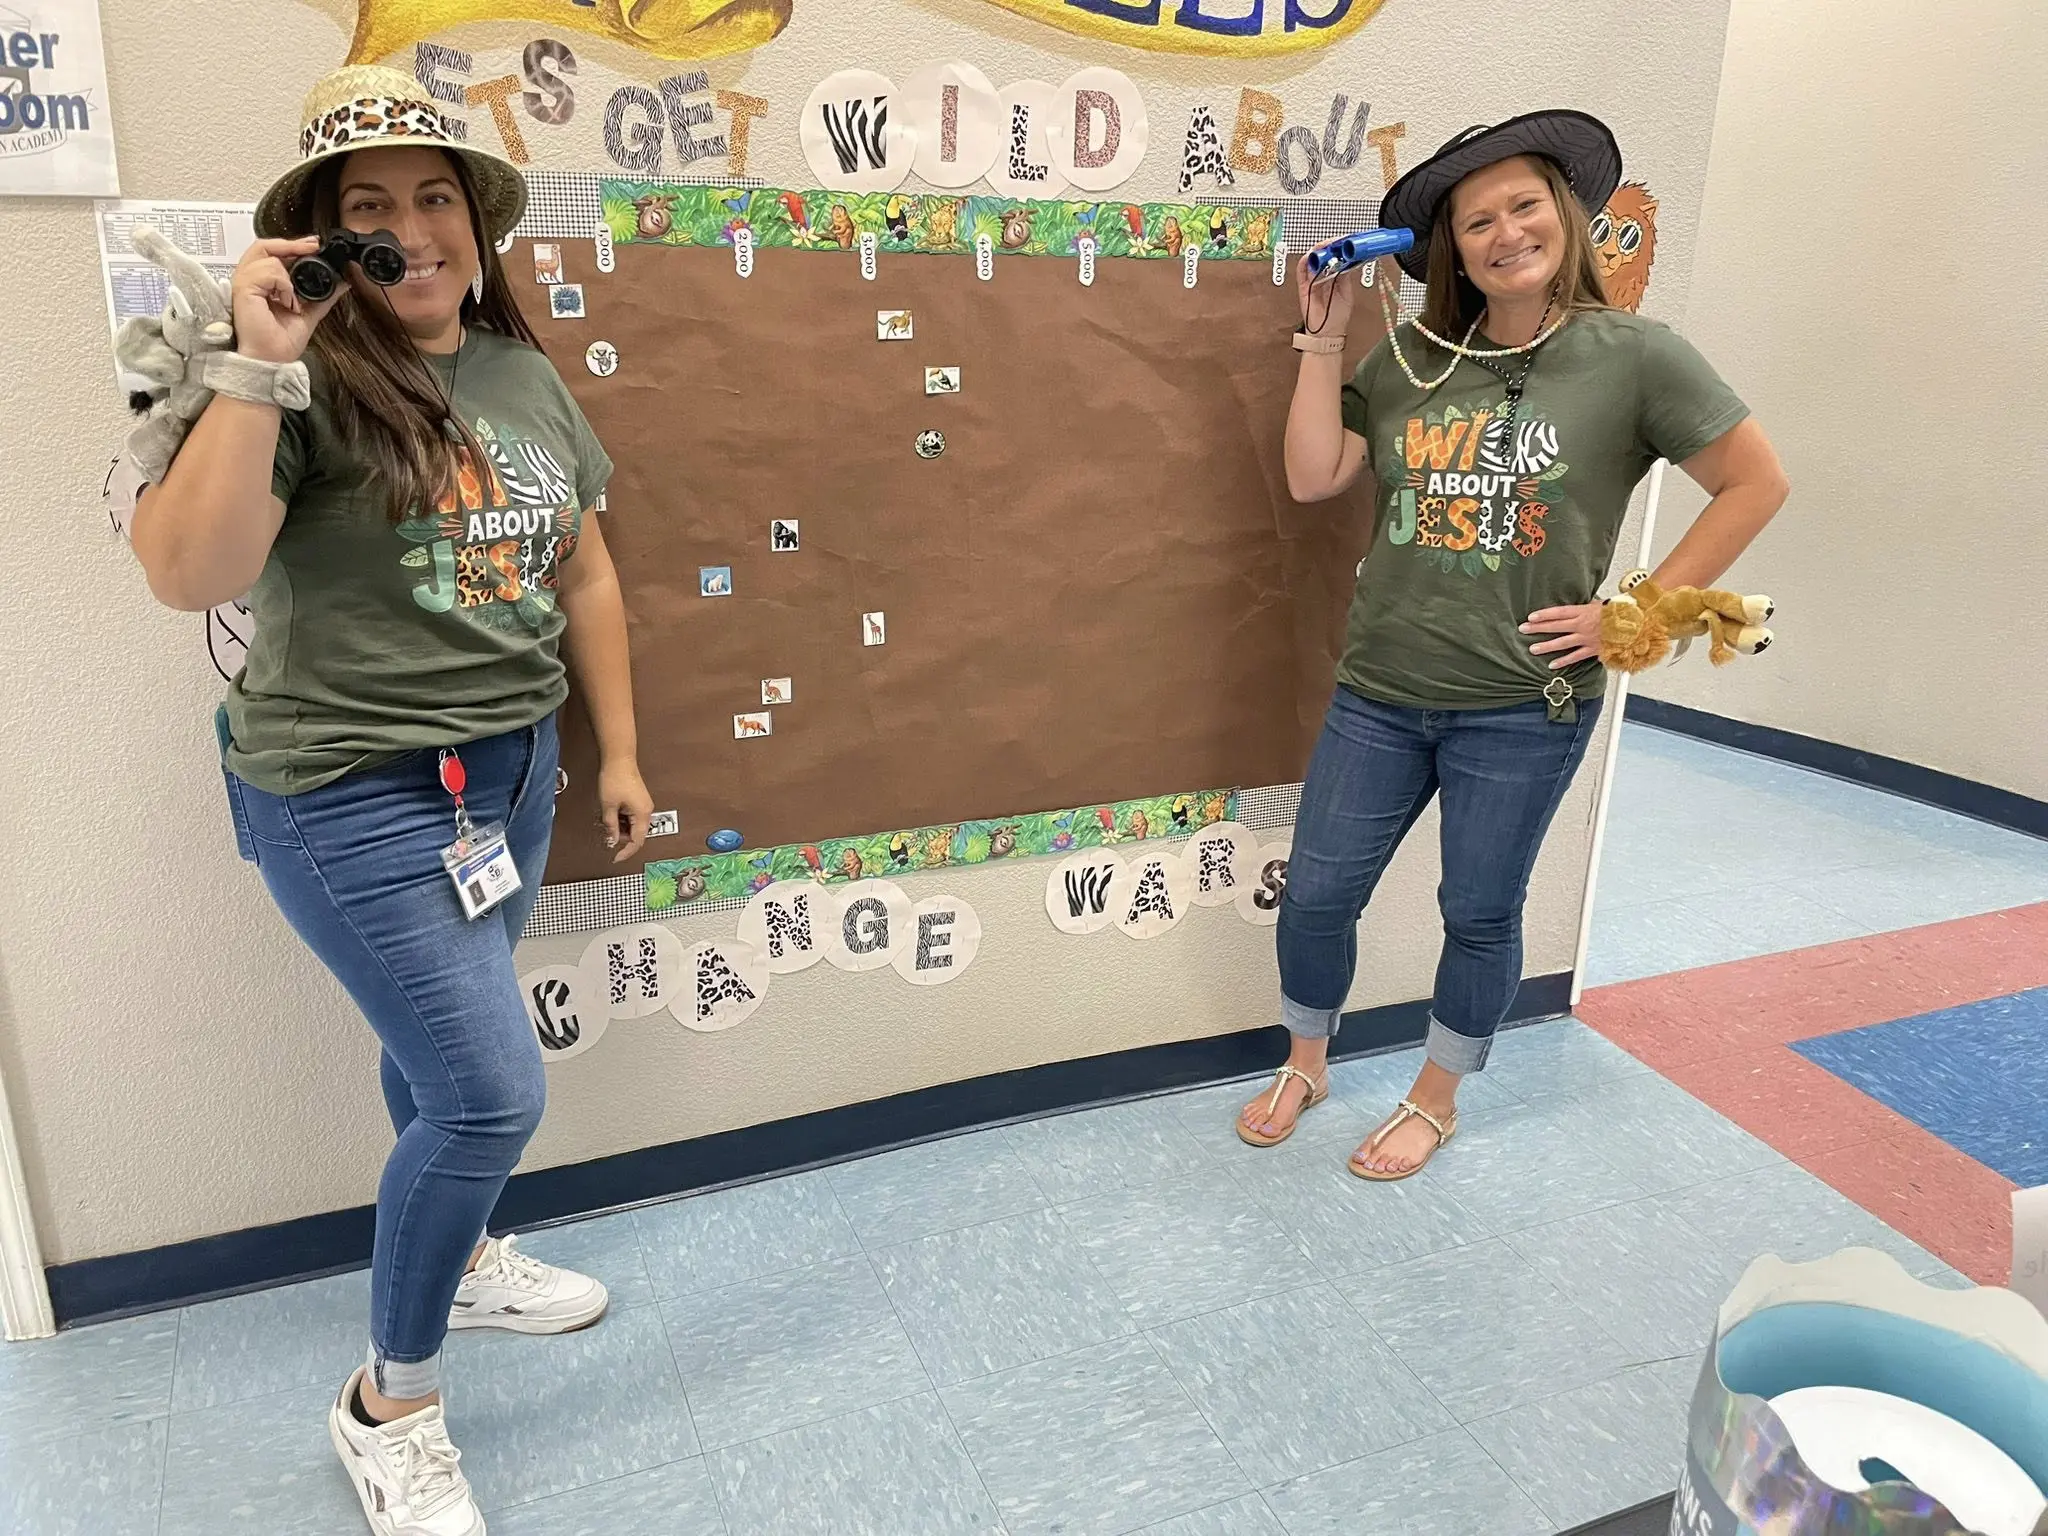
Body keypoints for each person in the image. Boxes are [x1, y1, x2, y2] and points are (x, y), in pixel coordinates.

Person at [129, 65, 652, 1536]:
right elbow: (189, 572)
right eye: (372, 206)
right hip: (350, 794)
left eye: (437, 199)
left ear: (477, 224)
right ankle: (390, 1405)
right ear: (324, 232)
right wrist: (257, 361)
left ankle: (462, 1261)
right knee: (489, 1092)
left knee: (440, 1065)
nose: (411, 231)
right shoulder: (293, 377)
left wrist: (616, 752)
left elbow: (585, 572)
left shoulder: (520, 373)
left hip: (511, 774)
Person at [1239, 111, 1788, 1178]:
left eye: (1524, 205)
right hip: (1378, 691)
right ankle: (1305, 1064)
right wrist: (1320, 337)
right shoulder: (1411, 357)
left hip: (1524, 706)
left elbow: (1753, 481)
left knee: (1479, 912)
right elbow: (1312, 476)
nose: (1505, 233)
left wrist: (1636, 609)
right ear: (1451, 247)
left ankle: (1434, 1096)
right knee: (1315, 894)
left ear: (1566, 216)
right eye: (1476, 220)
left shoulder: (1634, 357)